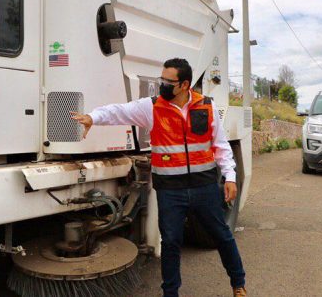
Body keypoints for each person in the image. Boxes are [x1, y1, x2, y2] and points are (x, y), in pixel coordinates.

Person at [71, 58, 247, 297]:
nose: (162, 84)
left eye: (168, 81)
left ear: (185, 85)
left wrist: (230, 176)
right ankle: (170, 293)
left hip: (203, 187)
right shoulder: (152, 107)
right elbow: (120, 112)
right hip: (170, 191)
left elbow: (220, 144)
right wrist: (93, 117)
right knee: (171, 242)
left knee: (222, 236)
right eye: (161, 78)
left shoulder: (207, 106)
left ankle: (238, 284)